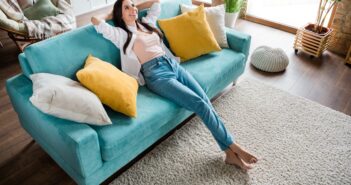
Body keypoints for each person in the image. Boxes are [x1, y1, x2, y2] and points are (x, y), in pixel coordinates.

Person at [91, 0, 257, 170]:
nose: (132, 9)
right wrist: (113, 12)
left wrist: (133, 8)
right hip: (157, 75)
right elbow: (95, 20)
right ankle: (234, 146)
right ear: (119, 14)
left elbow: (156, 3)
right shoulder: (121, 34)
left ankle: (230, 155)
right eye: (126, 8)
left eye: (133, 5)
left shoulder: (146, 23)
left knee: (205, 99)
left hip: (172, 65)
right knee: (199, 104)